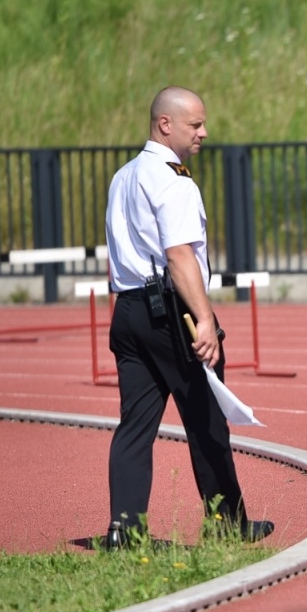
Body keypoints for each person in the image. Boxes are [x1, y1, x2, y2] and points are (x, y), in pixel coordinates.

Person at [101, 86, 271, 549]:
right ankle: (228, 526)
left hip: (129, 309)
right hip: (170, 314)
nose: (204, 132)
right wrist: (206, 320)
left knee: (135, 425)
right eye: (195, 124)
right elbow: (180, 257)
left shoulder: (124, 176)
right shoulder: (174, 181)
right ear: (165, 124)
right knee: (206, 418)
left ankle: (124, 529)